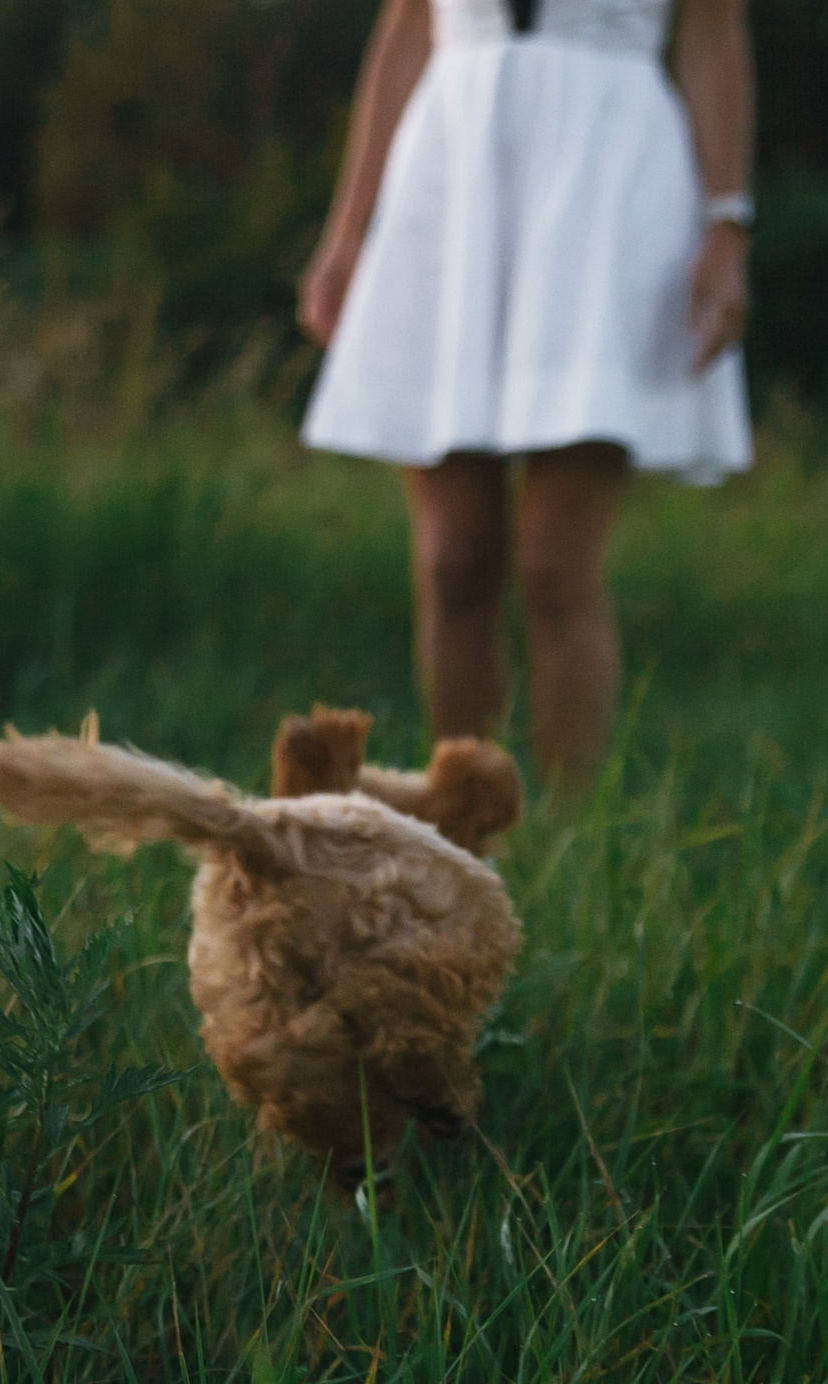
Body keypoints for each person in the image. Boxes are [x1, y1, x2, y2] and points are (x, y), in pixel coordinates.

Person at [298, 0, 755, 794]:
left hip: (610, 177)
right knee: (453, 561)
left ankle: (572, 846)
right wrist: (347, 234)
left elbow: (713, 32)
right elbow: (408, 26)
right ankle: (462, 840)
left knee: (553, 566)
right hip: (454, 170)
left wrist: (727, 226)